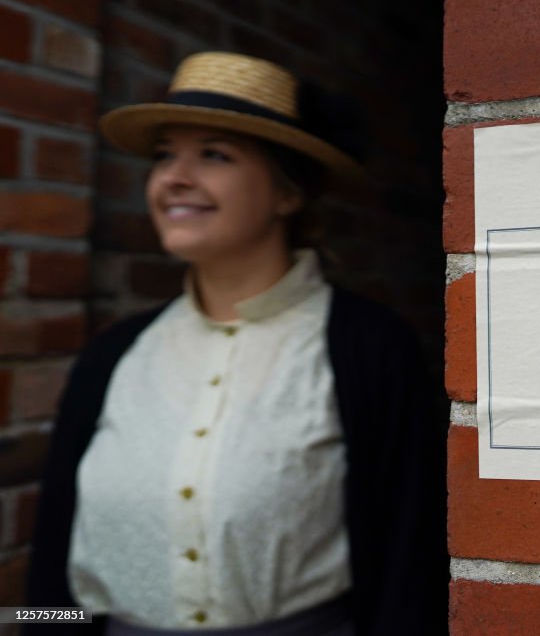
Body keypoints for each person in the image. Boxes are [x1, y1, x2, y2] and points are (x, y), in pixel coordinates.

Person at [25, 52, 447, 635]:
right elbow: (51, 551)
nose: (174, 177)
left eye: (214, 155)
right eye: (164, 155)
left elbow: (409, 557)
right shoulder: (113, 354)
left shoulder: (370, 348)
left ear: (287, 193)